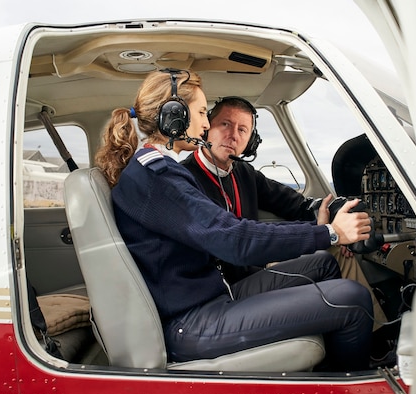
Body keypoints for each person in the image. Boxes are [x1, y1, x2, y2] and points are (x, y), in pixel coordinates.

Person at [95, 69, 374, 371]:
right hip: (191, 321)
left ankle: (329, 356)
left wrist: (321, 229)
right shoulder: (159, 175)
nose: (204, 124)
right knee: (353, 299)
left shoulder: (156, 168)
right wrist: (330, 234)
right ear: (173, 115)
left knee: (325, 264)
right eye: (202, 112)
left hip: (212, 294)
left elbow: (236, 230)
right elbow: (233, 239)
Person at [180, 96, 388, 331]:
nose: (233, 135)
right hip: (225, 287)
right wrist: (326, 233)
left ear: (250, 141)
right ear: (207, 128)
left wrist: (329, 222)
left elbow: (296, 205)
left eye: (243, 130)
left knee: (338, 253)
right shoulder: (185, 179)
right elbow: (233, 240)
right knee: (327, 254)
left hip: (255, 270)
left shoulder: (244, 173)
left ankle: (378, 336)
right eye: (225, 125)